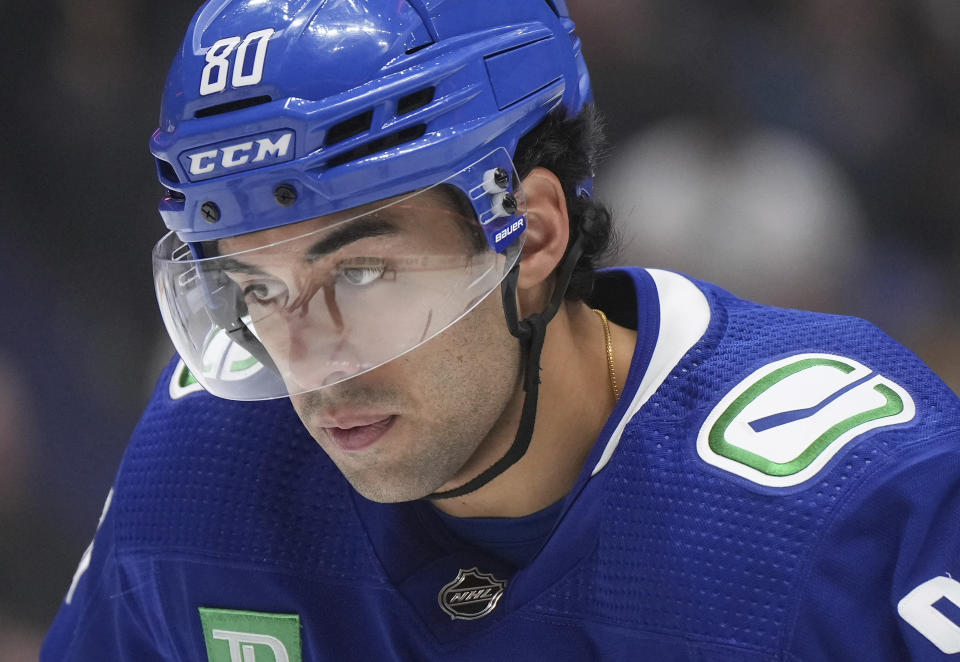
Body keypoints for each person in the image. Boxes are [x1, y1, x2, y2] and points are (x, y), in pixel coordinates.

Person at [43, 1, 960, 660]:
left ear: (533, 233)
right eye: (255, 288)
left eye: (360, 274)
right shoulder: (204, 469)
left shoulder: (854, 506)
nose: (310, 363)